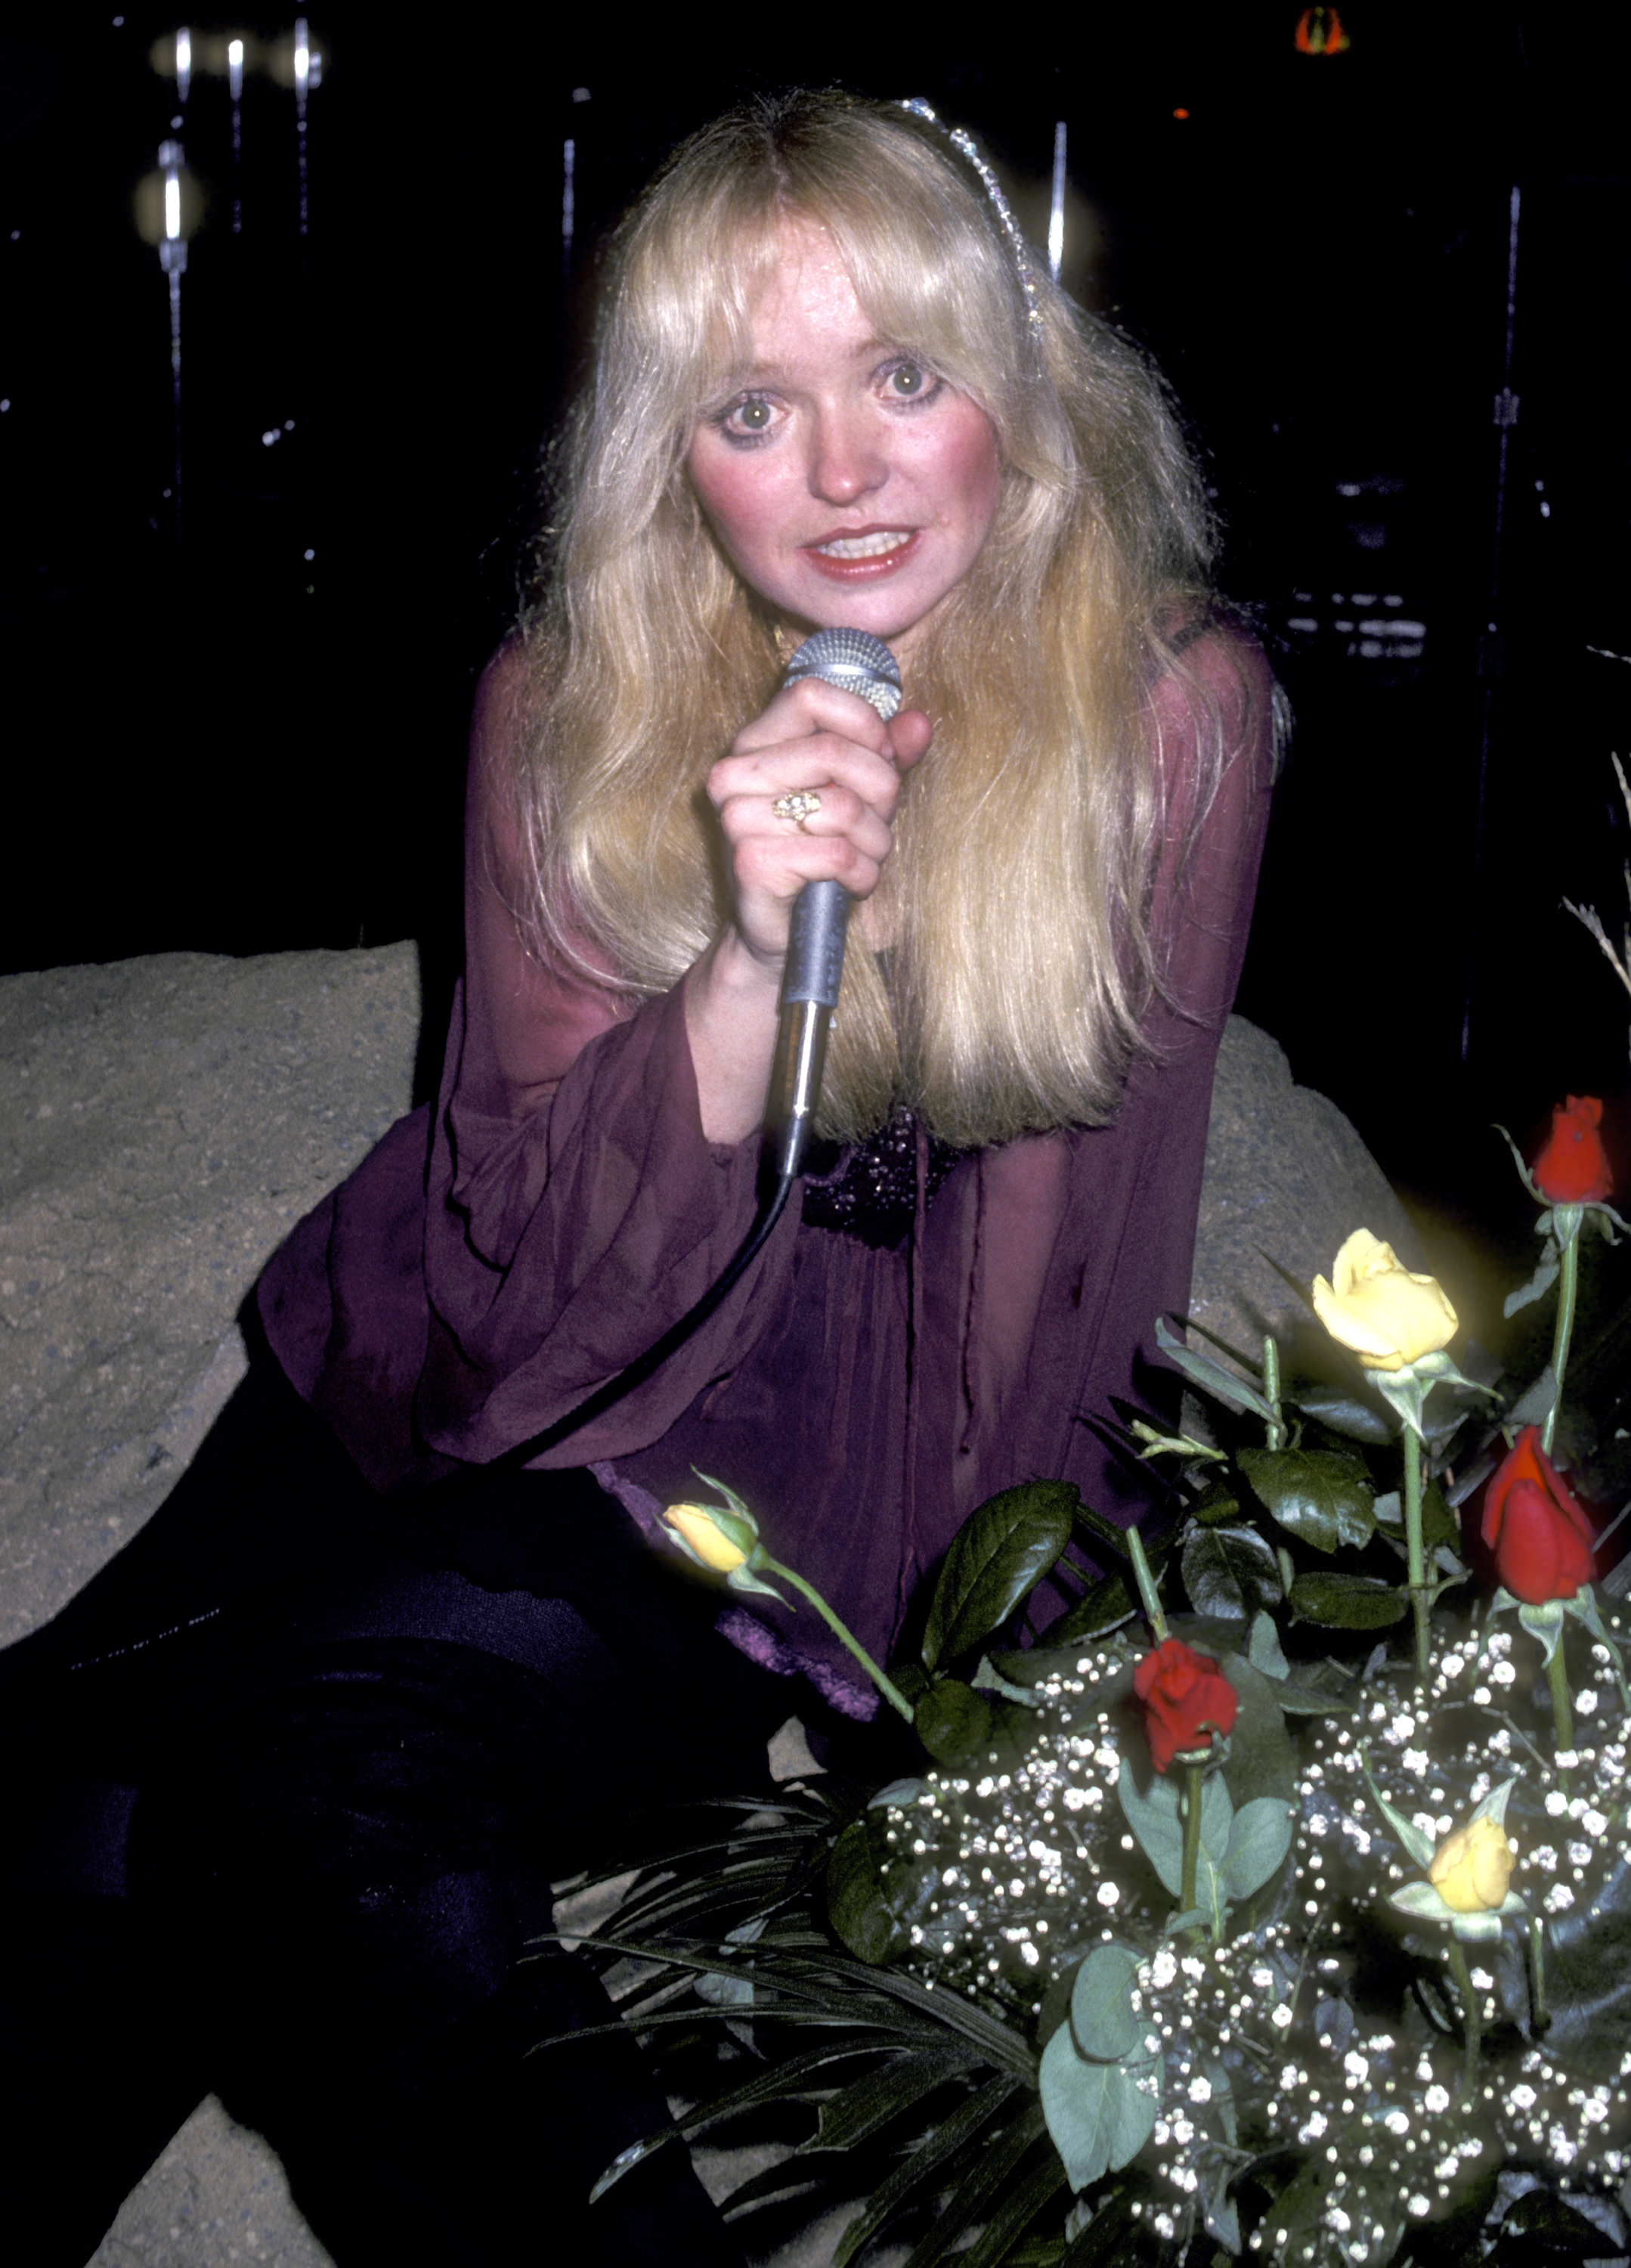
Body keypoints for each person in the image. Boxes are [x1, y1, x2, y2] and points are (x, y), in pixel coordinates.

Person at [0, 90, 1276, 2266]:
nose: (849, 474)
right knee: (62, 1826)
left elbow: (1088, 1268)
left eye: (906, 376)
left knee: (313, 1788)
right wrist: (718, 989)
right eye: (754, 408)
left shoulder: (1164, 714)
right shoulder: (559, 708)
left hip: (774, 1490)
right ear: (670, 455)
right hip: (457, 1386)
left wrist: (973, 1694)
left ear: (1022, 392)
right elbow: (506, 1307)